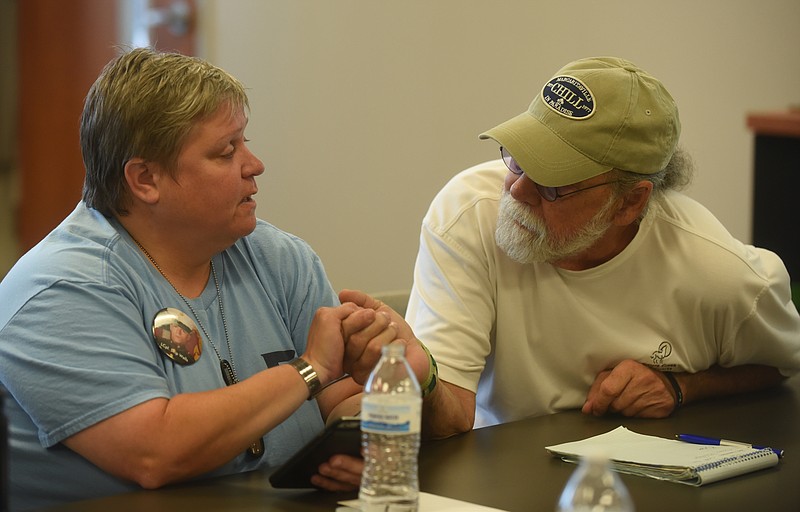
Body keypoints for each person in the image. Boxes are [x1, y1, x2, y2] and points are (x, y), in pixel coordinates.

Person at [0, 48, 391, 510]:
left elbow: (339, 400)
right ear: (145, 179)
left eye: (244, 141)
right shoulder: (61, 289)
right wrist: (309, 369)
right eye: (227, 150)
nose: (255, 164)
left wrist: (368, 440)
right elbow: (154, 452)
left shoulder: (279, 258)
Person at [393, 56, 800, 437]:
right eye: (518, 157)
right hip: (493, 471)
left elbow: (780, 363)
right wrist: (418, 376)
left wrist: (682, 387)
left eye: (553, 182)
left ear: (629, 202)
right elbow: (449, 415)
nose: (516, 189)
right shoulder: (469, 215)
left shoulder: (715, 270)